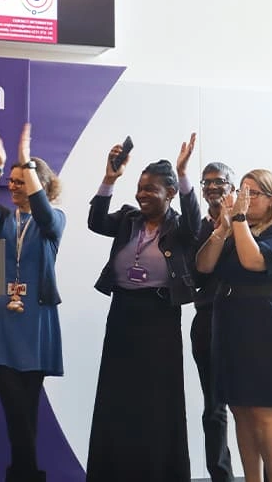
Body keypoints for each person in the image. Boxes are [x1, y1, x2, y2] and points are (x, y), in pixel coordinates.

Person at [85, 134, 199, 482]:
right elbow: (95, 221)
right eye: (139, 187)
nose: (142, 194)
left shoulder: (180, 227)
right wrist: (109, 179)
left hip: (159, 319)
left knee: (154, 403)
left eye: (151, 189)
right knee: (117, 399)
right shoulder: (127, 219)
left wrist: (182, 172)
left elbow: (196, 224)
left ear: (170, 193)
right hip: (122, 315)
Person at [0, 123, 65, 482]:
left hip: (36, 321)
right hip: (0, 322)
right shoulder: (3, 219)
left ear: (36, 183)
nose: (13, 186)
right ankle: (28, 475)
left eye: (19, 180)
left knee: (28, 408)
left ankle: (22, 474)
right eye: (10, 181)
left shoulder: (53, 219)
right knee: (15, 407)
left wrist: (26, 161)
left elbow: (44, 215)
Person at [195, 169, 272, 482]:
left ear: (271, 200)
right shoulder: (232, 230)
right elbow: (204, 266)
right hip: (232, 318)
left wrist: (238, 222)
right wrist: (222, 228)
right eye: (242, 191)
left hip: (268, 321)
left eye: (253, 193)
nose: (244, 199)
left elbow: (254, 261)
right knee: (239, 408)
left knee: (263, 411)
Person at [193, 162, 238, 482]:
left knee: (253, 408)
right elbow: (196, 273)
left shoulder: (248, 221)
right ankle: (220, 475)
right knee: (214, 407)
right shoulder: (196, 226)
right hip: (207, 320)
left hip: (245, 320)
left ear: (233, 187)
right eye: (206, 182)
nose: (211, 187)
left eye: (219, 182)